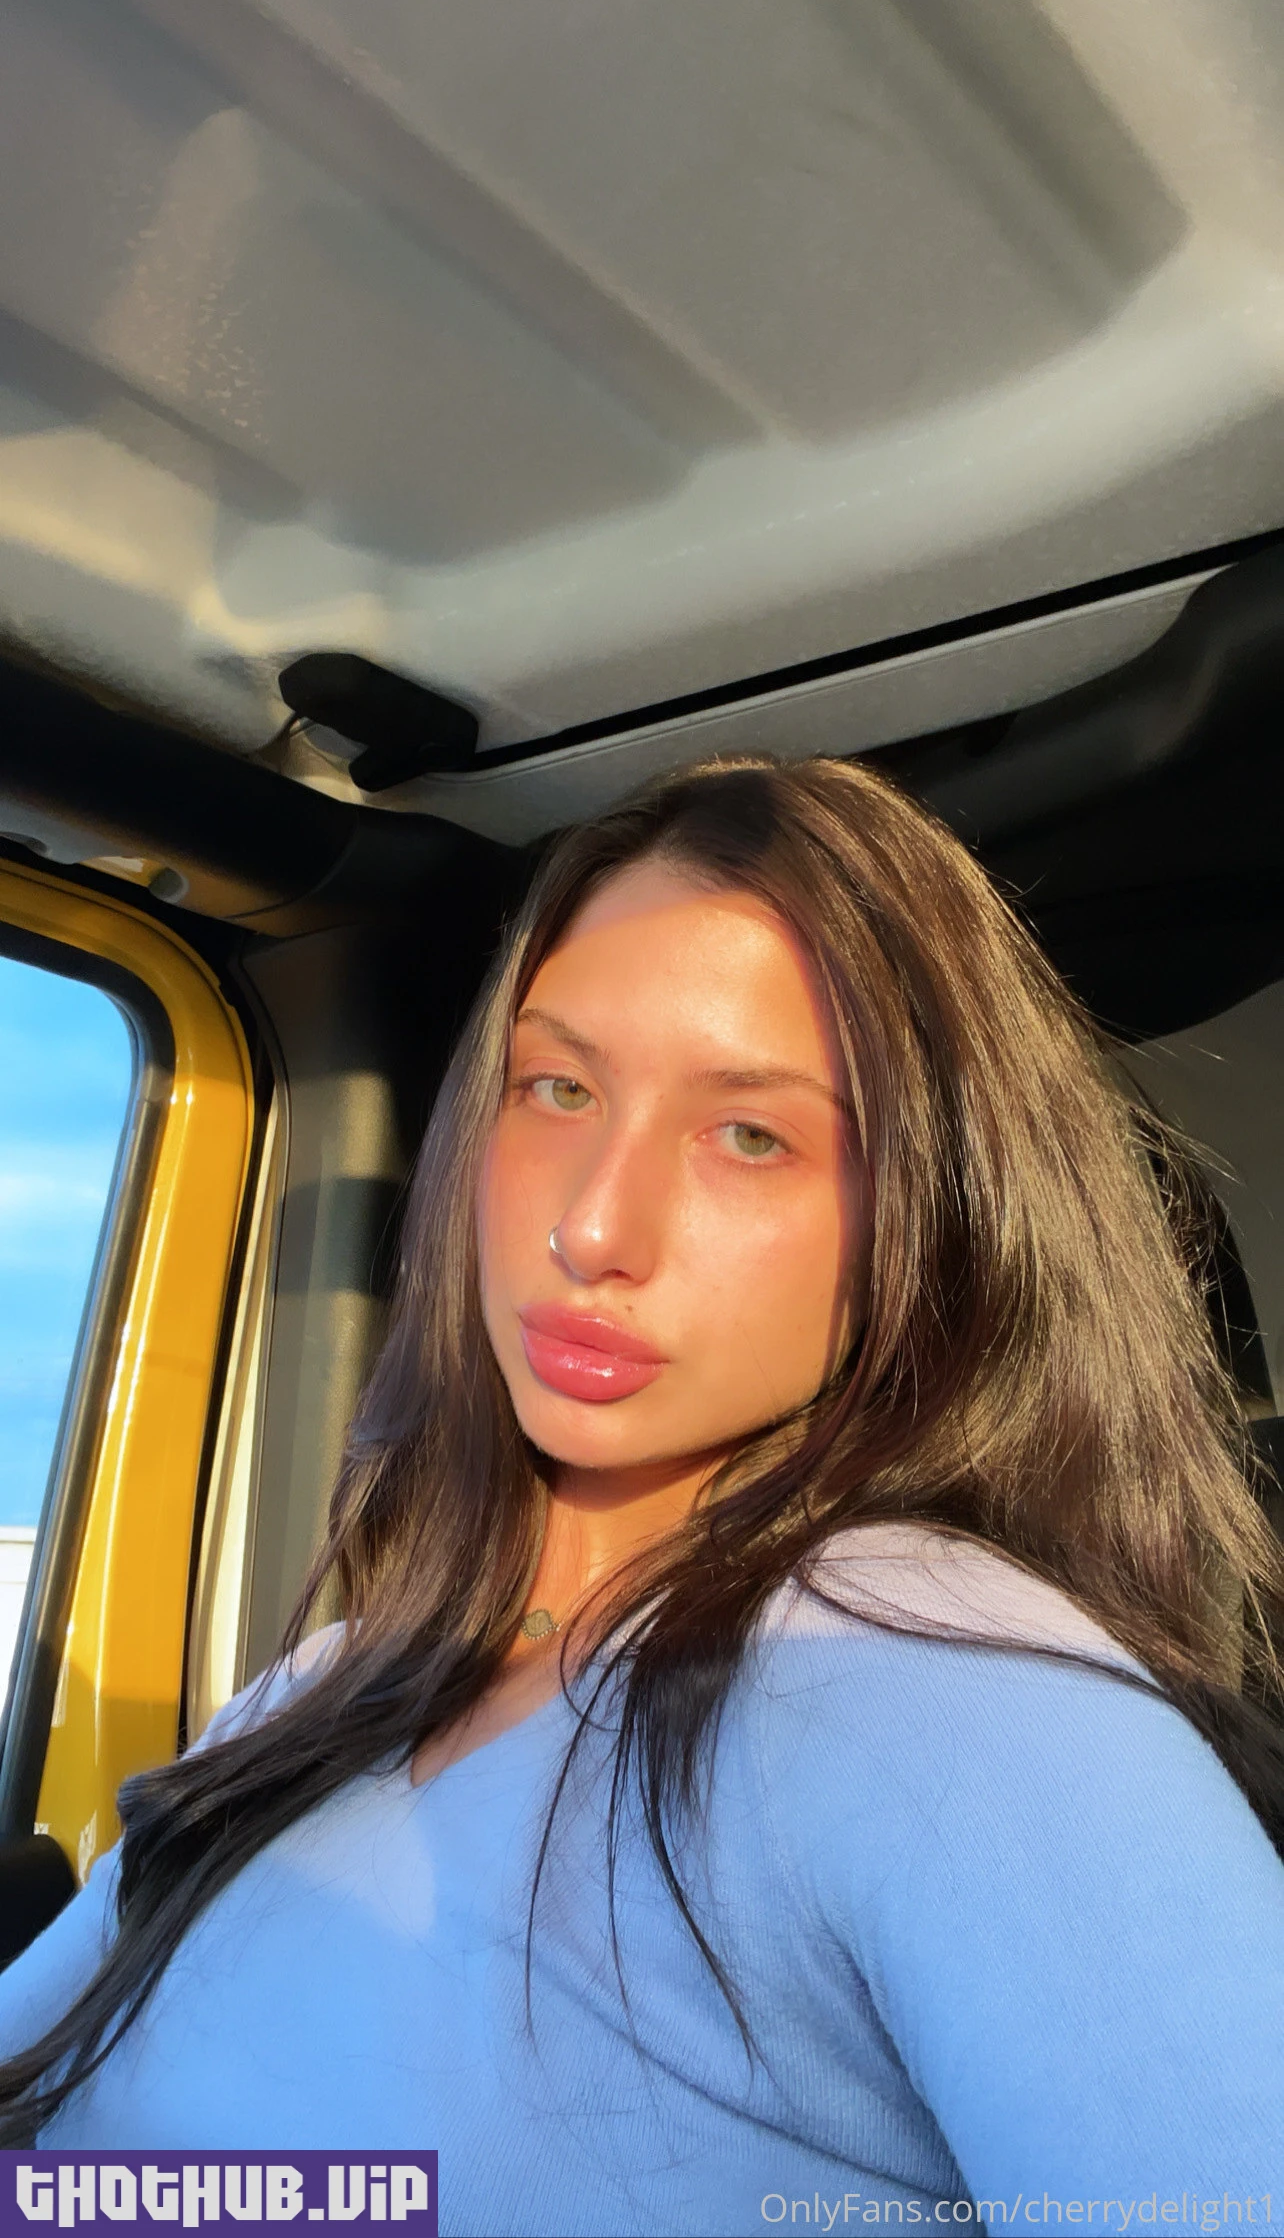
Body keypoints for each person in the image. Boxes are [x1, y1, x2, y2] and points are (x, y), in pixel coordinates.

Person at [1, 752, 1282, 2234]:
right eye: (559, 1087)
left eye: (753, 1134)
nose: (594, 1224)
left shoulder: (929, 1673)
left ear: (930, 1219)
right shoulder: (323, 1683)